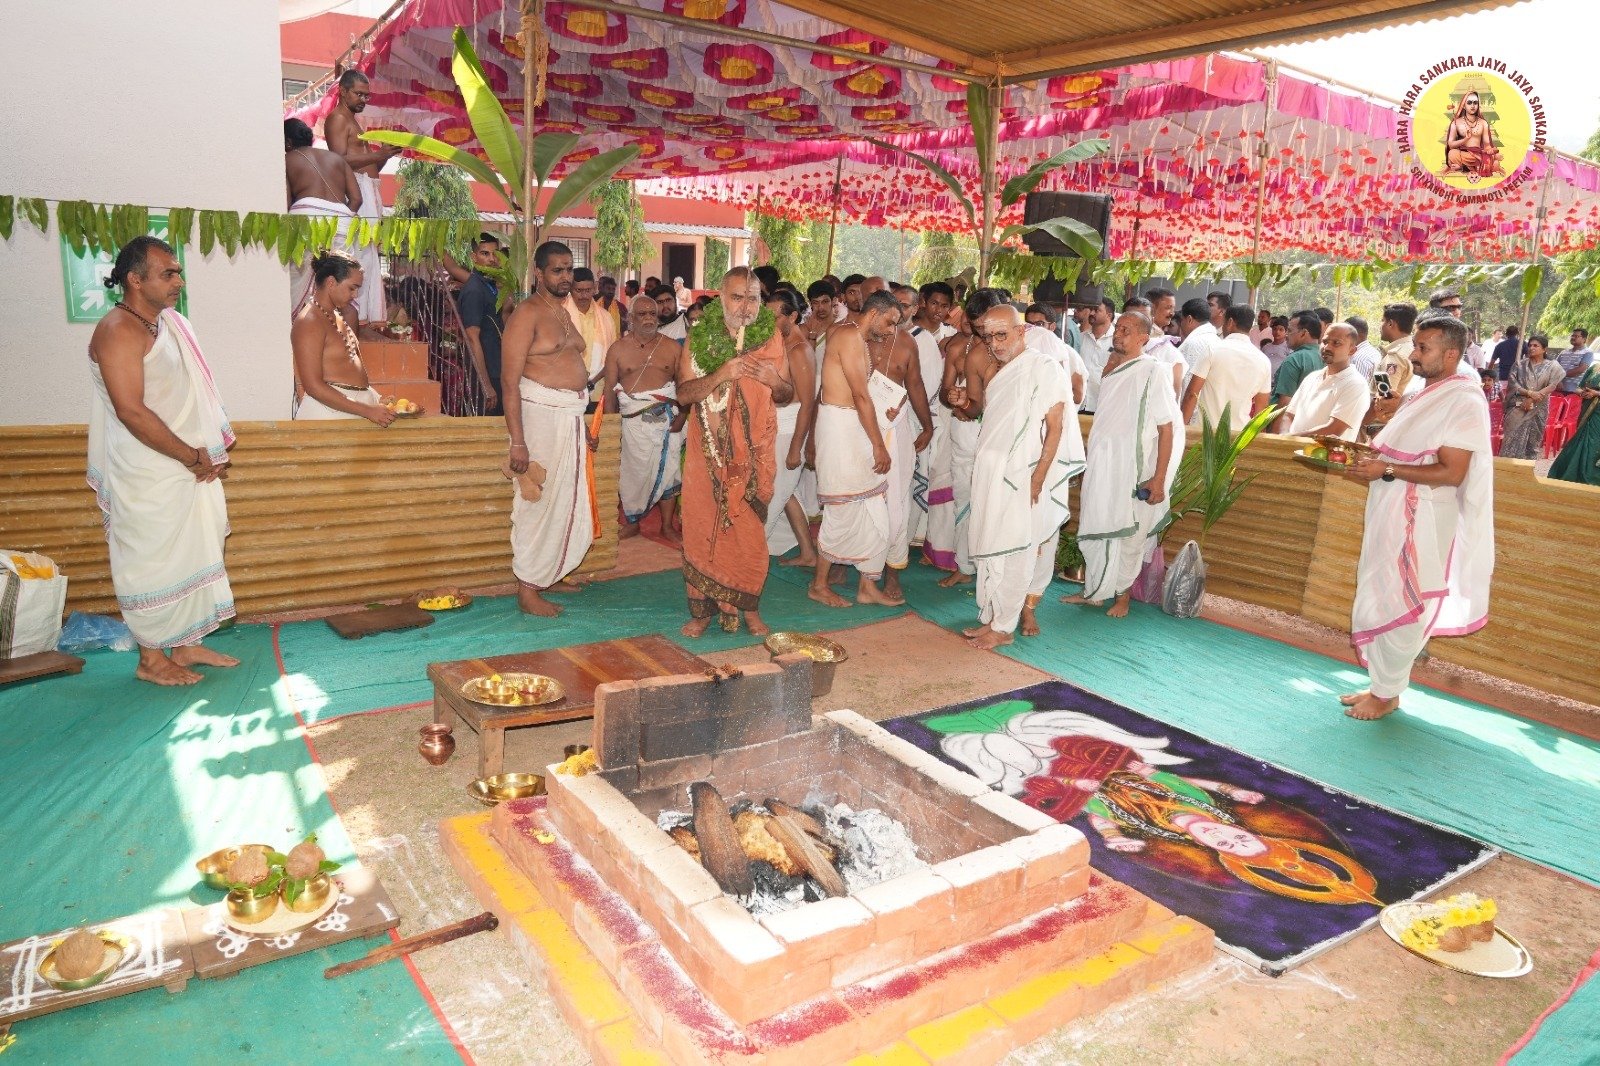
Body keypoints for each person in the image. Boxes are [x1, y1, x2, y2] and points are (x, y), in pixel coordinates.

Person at [87, 237, 238, 685]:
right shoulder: (117, 331)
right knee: (149, 560)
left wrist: (201, 455)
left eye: (177, 271)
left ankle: (186, 643)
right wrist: (191, 456)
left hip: (185, 464)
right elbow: (130, 410)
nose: (179, 280)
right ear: (135, 280)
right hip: (146, 470)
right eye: (168, 274)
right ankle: (151, 659)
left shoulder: (168, 324)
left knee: (192, 549)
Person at [1341, 315, 1493, 721]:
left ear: (1451, 353)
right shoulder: (1429, 393)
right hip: (1394, 510)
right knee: (1384, 589)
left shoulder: (1464, 400)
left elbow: (1451, 473)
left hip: (1423, 516)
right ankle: (1383, 687)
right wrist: (1375, 456)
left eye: (1423, 348)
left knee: (1406, 599)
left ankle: (1386, 693)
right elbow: (1402, 450)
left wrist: (1386, 471)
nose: (1413, 354)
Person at [677, 267, 794, 635]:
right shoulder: (699, 340)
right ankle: (701, 613)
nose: (745, 307)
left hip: (753, 458)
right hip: (705, 455)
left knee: (749, 532)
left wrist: (775, 381)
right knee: (700, 529)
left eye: (753, 298)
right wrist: (722, 373)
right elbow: (683, 394)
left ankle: (750, 607)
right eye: (737, 297)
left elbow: (787, 394)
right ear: (722, 298)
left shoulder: (771, 339)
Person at [954, 305, 1079, 650]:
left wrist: (1038, 477)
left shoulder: (1045, 367)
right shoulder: (1003, 371)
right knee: (992, 544)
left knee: (1015, 549)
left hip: (1021, 475)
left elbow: (1057, 427)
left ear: (1021, 331)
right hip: (990, 473)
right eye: (988, 336)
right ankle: (994, 617)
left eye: (1002, 334)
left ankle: (1005, 626)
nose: (994, 343)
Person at [501, 241, 596, 617]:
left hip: (568, 417)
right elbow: (509, 382)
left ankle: (549, 571)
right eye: (557, 270)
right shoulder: (526, 315)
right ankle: (527, 589)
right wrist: (518, 443)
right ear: (538, 273)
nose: (565, 277)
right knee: (537, 500)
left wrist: (581, 423)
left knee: (565, 497)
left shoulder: (561, 311)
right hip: (539, 417)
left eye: (569, 269)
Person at [1064, 311, 1179, 619]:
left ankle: (1122, 597)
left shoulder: (1153, 371)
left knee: (1128, 535)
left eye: (1126, 330)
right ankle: (1095, 592)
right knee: (1095, 522)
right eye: (1118, 329)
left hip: (1132, 468)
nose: (1118, 334)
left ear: (1144, 338)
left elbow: (1167, 428)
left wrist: (1158, 478)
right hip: (1103, 465)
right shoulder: (1114, 370)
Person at [810, 290, 901, 608]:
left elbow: (864, 396)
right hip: (840, 431)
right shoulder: (848, 336)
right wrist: (879, 445)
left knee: (875, 508)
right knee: (842, 509)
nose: (890, 331)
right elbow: (859, 397)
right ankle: (819, 585)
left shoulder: (858, 340)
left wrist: (884, 415)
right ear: (875, 313)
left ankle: (867, 586)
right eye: (889, 323)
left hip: (853, 428)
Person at [604, 295, 685, 541]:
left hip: (668, 420)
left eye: (653, 313)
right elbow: (609, 390)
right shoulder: (618, 349)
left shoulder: (672, 347)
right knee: (633, 473)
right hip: (632, 423)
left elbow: (684, 386)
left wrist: (683, 415)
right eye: (642, 314)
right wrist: (610, 427)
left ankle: (667, 526)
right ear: (630, 318)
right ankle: (632, 520)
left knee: (670, 471)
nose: (649, 318)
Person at [323, 70, 399, 331]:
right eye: (359, 93)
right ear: (343, 92)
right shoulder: (337, 119)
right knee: (359, 256)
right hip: (356, 192)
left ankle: (365, 323)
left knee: (368, 256)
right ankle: (355, 323)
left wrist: (385, 155)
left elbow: (369, 163)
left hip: (369, 191)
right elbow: (338, 159)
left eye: (366, 95)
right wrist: (378, 155)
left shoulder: (353, 121)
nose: (364, 99)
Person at [291, 252, 397, 424]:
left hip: (350, 412)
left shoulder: (337, 314)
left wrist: (373, 401)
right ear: (331, 282)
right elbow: (313, 386)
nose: (355, 295)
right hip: (328, 415)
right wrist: (367, 409)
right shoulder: (309, 321)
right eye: (352, 288)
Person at [763, 288, 820, 565]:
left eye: (774, 316)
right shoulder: (779, 344)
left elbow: (808, 402)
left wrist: (797, 447)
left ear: (793, 316)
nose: (769, 321)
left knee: (773, 494)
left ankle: (752, 548)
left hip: (790, 429)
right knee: (786, 493)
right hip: (776, 426)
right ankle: (809, 552)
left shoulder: (800, 350)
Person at [284, 118, 362, 313]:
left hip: (306, 218)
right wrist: (341, 218)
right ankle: (344, 342)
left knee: (299, 286)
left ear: (287, 143)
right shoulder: (337, 159)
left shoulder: (287, 159)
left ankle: (300, 339)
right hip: (342, 221)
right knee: (343, 287)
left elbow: (285, 203)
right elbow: (356, 199)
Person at [909, 282, 956, 551]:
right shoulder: (909, 334)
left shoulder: (951, 335)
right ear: (923, 302)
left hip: (939, 414)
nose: (938, 310)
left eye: (945, 306)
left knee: (934, 471)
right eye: (934, 303)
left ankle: (923, 534)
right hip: (913, 412)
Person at [1181, 304, 1271, 433]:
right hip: (1238, 438)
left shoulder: (1213, 350)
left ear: (1230, 322)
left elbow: (1191, 394)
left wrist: (1182, 430)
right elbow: (1261, 410)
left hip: (1205, 434)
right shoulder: (1263, 361)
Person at [1278, 322, 1369, 440]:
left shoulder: (1355, 384)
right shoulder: (1312, 377)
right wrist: (1284, 438)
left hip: (1324, 457)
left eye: (1336, 343)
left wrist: (1292, 438)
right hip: (1294, 450)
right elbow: (1289, 414)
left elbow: (1333, 429)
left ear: (1352, 350)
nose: (1327, 347)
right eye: (1325, 342)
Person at [455, 233, 507, 413]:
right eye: (485, 254)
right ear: (473, 257)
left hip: (497, 367)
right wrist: (485, 384)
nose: (492, 259)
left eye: (495, 254)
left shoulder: (489, 285)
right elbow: (471, 338)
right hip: (486, 372)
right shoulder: (474, 290)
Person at [1499, 333, 1565, 459]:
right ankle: (1507, 470)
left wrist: (1534, 396)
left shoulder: (1552, 366)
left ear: (1544, 349)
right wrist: (1529, 393)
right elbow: (1513, 385)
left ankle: (1525, 472)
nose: (1531, 348)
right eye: (1530, 345)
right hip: (1517, 406)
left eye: (1536, 345)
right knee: (1510, 441)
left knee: (1533, 443)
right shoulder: (1519, 365)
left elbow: (1553, 385)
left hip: (1538, 408)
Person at [567, 267, 617, 397]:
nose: (583, 295)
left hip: (597, 389)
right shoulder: (559, 314)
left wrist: (592, 382)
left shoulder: (606, 317)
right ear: (570, 289)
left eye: (588, 290)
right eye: (578, 290)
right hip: (565, 391)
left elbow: (612, 357)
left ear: (595, 288)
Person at [1548, 361, 1600, 484]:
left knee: (1594, 442)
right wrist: (1583, 393)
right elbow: (1578, 387)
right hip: (1588, 409)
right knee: (1581, 440)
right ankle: (1571, 473)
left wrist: (1596, 393)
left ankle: (1590, 476)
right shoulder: (1594, 368)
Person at [1271, 311, 1323, 408]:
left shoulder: (1294, 359)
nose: (1286, 335)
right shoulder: (1325, 357)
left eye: (1289, 331)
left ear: (1303, 333)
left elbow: (1284, 404)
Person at [1443, 91, 1502, 178]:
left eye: (1475, 103)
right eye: (1469, 102)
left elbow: (1487, 145)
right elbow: (1450, 144)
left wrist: (1490, 150)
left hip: (1478, 155)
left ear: (1478, 105)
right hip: (1463, 155)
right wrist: (1465, 139)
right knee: (1452, 153)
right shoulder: (1456, 123)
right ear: (1463, 105)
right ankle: (1473, 168)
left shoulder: (1483, 123)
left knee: (1494, 158)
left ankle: (1465, 167)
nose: (1473, 105)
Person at [1078, 296, 1115, 413]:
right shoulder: (1081, 338)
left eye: (1097, 310)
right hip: (1079, 404)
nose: (1092, 313)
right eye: (1091, 309)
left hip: (1103, 407)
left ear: (1109, 315)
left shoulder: (1117, 342)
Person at [1176, 296, 1219, 390]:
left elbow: (1187, 384)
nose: (1181, 325)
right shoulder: (1217, 340)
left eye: (1181, 320)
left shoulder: (1193, 344)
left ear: (1189, 320)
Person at [1557, 329, 1593, 394]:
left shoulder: (1588, 353)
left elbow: (1580, 370)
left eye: (1576, 336)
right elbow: (1554, 368)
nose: (1573, 338)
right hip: (1557, 388)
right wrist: (1557, 381)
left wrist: (1560, 376)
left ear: (1584, 339)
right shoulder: (1564, 352)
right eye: (1572, 336)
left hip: (1574, 391)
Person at [802, 280, 837, 347]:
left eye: (825, 301)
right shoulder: (803, 329)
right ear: (810, 304)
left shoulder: (842, 327)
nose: (820, 307)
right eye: (815, 302)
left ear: (833, 301)